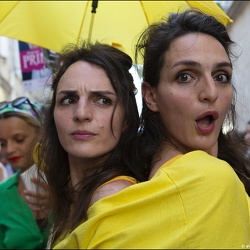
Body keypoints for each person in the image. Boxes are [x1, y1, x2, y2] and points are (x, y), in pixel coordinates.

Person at [50, 10, 250, 249]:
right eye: (185, 76)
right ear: (151, 96)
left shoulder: (210, 178)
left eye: (221, 76)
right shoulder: (209, 178)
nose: (210, 92)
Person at [36, 41, 141, 247]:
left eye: (102, 100)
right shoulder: (71, 196)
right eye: (69, 99)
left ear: (126, 120)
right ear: (53, 116)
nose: (81, 114)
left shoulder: (114, 198)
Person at [0, 97, 50, 249]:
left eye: (19, 139)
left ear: (41, 134)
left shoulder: (71, 183)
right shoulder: (3, 195)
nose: (9, 149)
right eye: (2, 143)